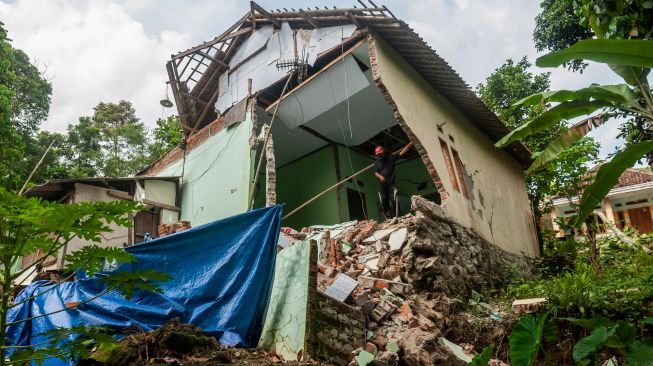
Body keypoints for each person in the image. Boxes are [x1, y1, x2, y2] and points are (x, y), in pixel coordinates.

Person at [374, 142, 413, 219]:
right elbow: (376, 172)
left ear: (383, 152)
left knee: (394, 199)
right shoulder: (377, 163)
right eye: (378, 154)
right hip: (382, 185)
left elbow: (401, 153)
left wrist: (409, 145)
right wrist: (380, 176)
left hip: (390, 184)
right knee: (383, 199)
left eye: (380, 154)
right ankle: (387, 217)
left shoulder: (391, 158)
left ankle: (397, 216)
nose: (379, 155)